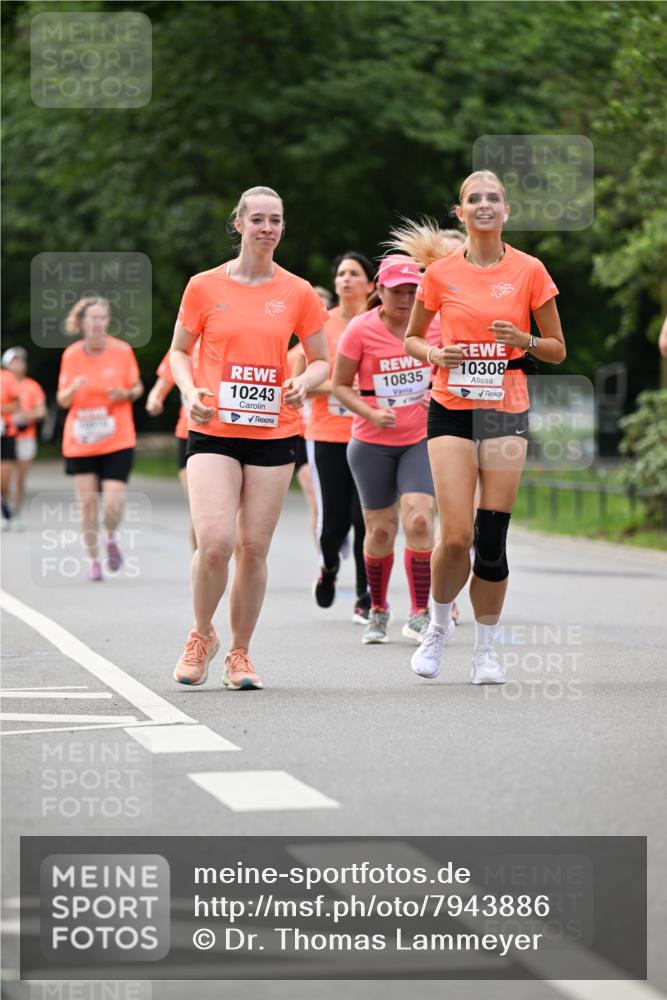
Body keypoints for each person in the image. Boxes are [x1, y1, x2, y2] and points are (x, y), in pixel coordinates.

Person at [398, 169, 565, 683]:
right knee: (455, 537)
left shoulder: (531, 270)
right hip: (450, 405)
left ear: (507, 211)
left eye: (494, 198)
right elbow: (411, 340)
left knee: (491, 538)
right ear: (461, 212)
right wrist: (435, 352)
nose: (486, 205)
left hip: (504, 408)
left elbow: (558, 350)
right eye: (476, 199)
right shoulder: (442, 273)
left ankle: (485, 650)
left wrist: (524, 338)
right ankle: (437, 629)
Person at [169, 185, 329, 691]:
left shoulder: (299, 292)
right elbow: (178, 351)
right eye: (257, 219)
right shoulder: (203, 286)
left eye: (275, 220)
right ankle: (201, 636)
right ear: (237, 224)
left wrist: (303, 382)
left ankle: (240, 653)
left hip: (273, 430)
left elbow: (323, 359)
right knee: (214, 542)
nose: (267, 228)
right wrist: (190, 387)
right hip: (213, 426)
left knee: (253, 548)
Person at [332, 255, 440, 644]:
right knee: (380, 530)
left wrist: (435, 392)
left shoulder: (436, 325)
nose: (406, 299)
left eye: (413, 291)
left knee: (419, 520)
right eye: (397, 291)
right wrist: (372, 412)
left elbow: (451, 370)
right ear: (379, 290)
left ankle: (420, 611)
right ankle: (378, 608)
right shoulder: (359, 330)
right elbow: (340, 385)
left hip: (420, 439)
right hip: (371, 442)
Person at [300, 251, 375, 623]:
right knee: (333, 525)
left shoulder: (380, 324)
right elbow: (299, 383)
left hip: (371, 435)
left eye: (354, 273)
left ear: (371, 284)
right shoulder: (320, 325)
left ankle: (365, 596)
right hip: (327, 435)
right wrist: (341, 387)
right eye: (341, 273)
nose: (345, 279)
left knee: (366, 520)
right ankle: (328, 567)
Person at [56, 296, 143, 581]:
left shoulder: (122, 351)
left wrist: (126, 394)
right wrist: (72, 391)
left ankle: (110, 536)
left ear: (108, 321)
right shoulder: (71, 355)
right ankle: (93, 561)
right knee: (89, 504)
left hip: (117, 437)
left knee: (113, 503)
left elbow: (137, 387)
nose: (97, 323)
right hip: (81, 440)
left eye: (102, 317)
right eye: (91, 318)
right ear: (82, 323)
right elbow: (61, 398)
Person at [146, 346, 197, 550]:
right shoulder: (184, 346)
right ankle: (202, 565)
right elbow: (161, 386)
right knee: (200, 508)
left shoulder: (236, 339)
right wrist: (154, 399)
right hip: (189, 436)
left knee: (229, 511)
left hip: (231, 436)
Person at [2, 346, 46, 529]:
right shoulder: (3, 381)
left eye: (22, 361)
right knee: (5, 477)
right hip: (6, 434)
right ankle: (5, 512)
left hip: (26, 435)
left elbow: (41, 411)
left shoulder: (32, 386)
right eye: (15, 361)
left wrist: (26, 416)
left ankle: (16, 510)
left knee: (20, 478)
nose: (19, 365)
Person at [286, 341, 319, 550]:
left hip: (334, 434)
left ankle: (335, 531)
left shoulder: (339, 345)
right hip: (300, 434)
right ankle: (324, 563)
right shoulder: (291, 355)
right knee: (314, 497)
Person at [0, 364, 20, 531]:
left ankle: (6, 511)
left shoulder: (7, 377)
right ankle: (5, 514)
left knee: (4, 479)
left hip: (5, 434)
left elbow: (16, 405)